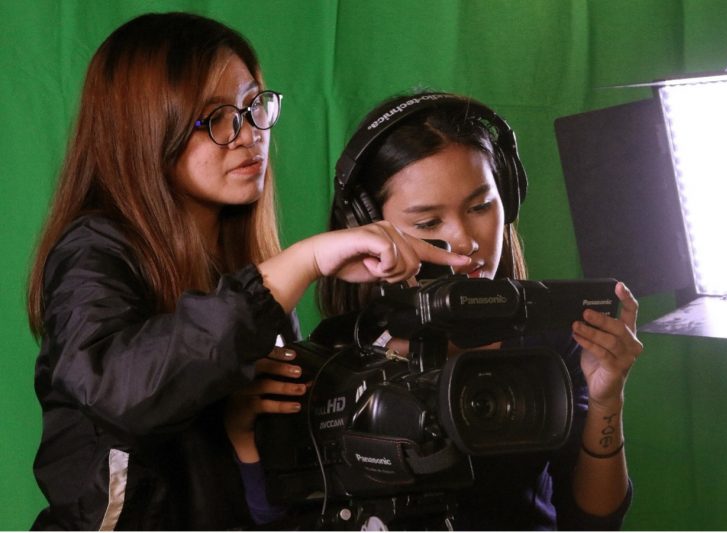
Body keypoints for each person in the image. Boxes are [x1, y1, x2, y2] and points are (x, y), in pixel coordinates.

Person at [25, 16, 470, 530]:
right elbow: (120, 392)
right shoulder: (93, 250)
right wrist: (302, 263)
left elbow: (271, 484)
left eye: (253, 106)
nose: (248, 135)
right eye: (215, 117)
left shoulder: (240, 264)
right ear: (146, 130)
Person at [315, 92, 644, 530]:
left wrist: (608, 399)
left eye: (480, 207)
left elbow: (593, 521)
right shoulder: (336, 349)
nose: (466, 240)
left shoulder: (555, 337)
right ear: (369, 226)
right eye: (429, 223)